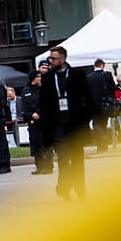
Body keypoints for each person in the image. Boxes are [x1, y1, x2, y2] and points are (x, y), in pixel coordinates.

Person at [39, 46, 92, 201]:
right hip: (58, 126)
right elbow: (44, 103)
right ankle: (64, 187)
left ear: (63, 59)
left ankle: (80, 190)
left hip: (74, 124)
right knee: (63, 158)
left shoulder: (77, 75)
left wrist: (85, 119)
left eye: (54, 58)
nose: (51, 61)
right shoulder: (48, 78)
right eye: (50, 58)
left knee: (77, 159)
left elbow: (88, 99)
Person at [20, 70, 51, 174]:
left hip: (43, 121)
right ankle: (39, 166)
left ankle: (48, 166)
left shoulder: (44, 89)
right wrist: (31, 114)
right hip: (32, 121)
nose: (40, 78)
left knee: (45, 145)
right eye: (38, 76)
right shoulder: (26, 90)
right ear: (34, 78)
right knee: (36, 145)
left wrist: (39, 113)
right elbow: (24, 106)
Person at [86, 58, 117, 153]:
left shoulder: (88, 77)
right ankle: (104, 144)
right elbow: (113, 88)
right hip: (106, 105)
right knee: (104, 124)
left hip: (94, 106)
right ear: (102, 65)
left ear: (94, 66)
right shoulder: (107, 75)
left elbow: (86, 92)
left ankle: (100, 145)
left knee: (96, 124)